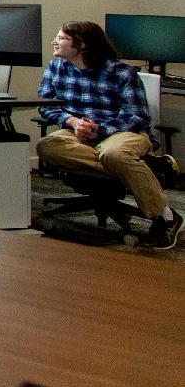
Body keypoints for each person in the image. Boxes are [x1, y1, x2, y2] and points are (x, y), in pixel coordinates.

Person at [36, 21, 179, 250]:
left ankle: (164, 217)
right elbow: (46, 106)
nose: (54, 41)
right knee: (47, 146)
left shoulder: (121, 72)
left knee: (114, 152)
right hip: (79, 133)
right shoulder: (55, 68)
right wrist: (73, 122)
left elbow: (136, 116)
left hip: (123, 131)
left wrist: (98, 130)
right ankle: (142, 165)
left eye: (61, 38)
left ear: (81, 45)